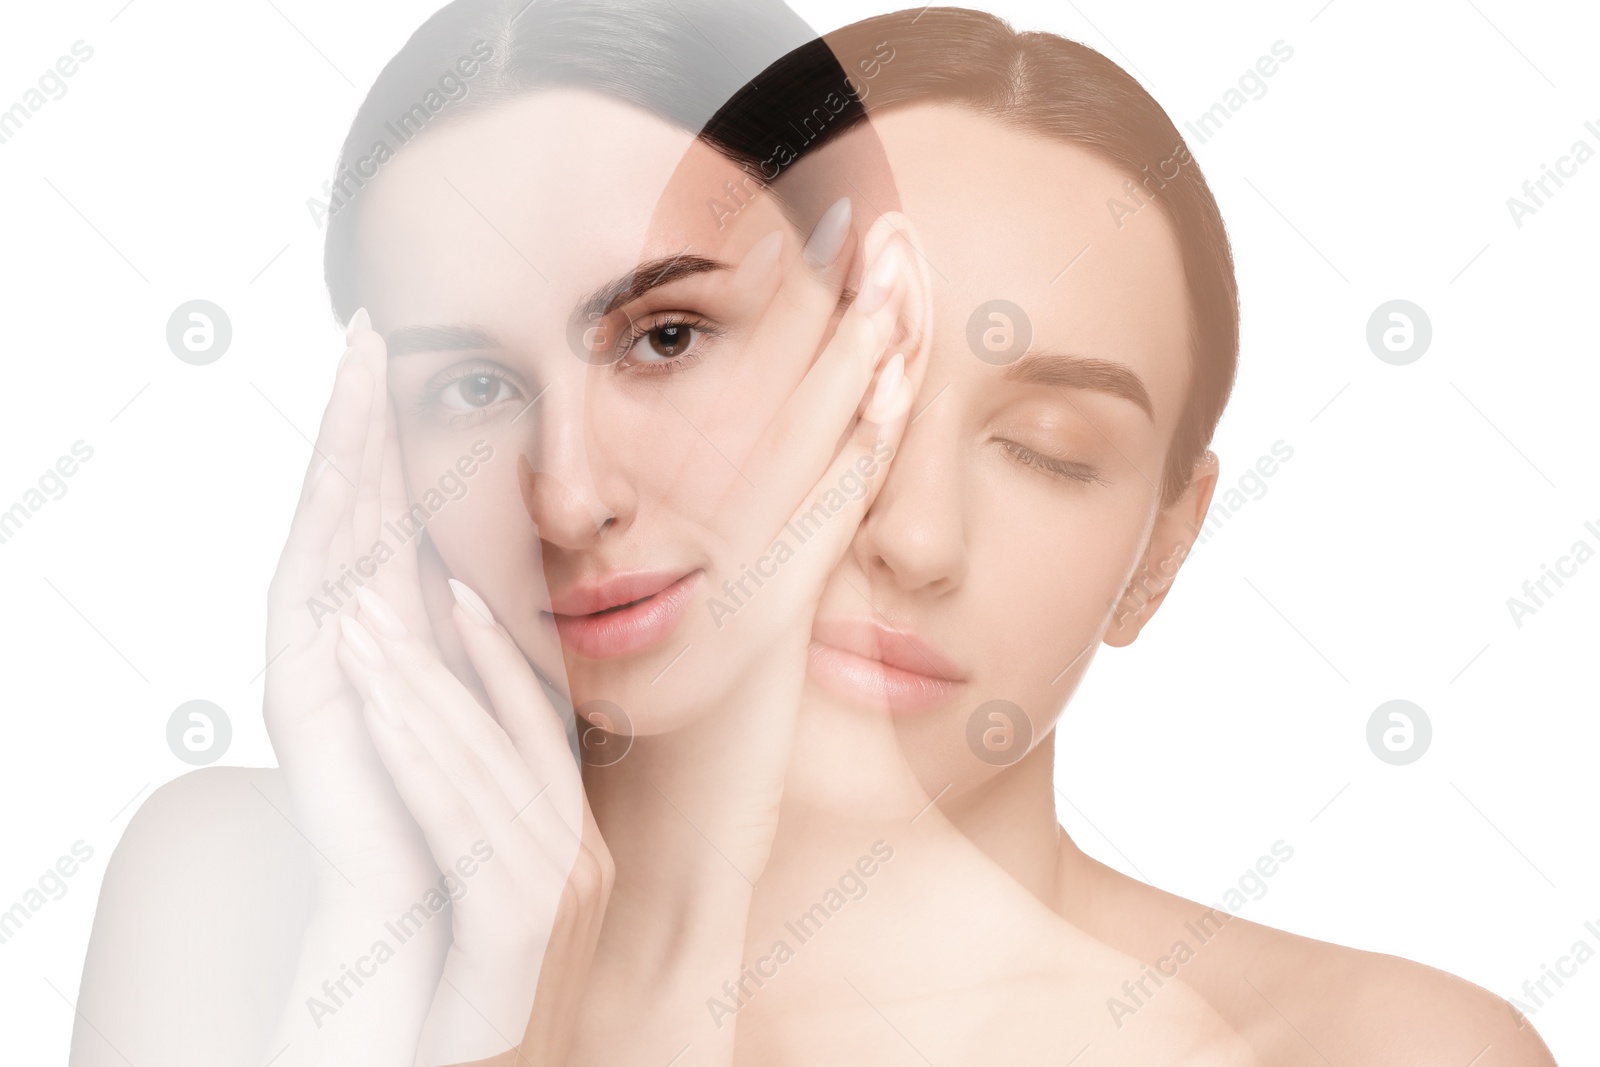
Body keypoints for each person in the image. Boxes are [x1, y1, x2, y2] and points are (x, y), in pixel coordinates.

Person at [72, 3, 1559, 1065]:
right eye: (853, 400)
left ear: (1164, 550)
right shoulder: (249, 890)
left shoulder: (1369, 1050)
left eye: (1049, 451)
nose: (907, 533)